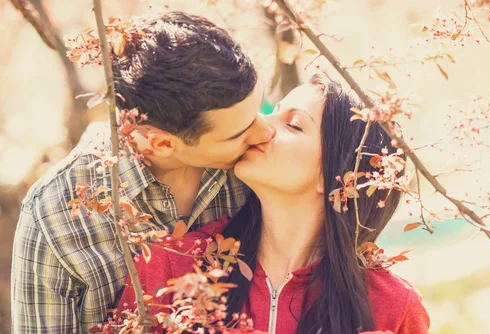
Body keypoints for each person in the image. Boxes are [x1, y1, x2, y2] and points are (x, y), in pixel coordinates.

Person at [11, 11, 275, 333]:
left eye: (261, 109)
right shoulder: (53, 218)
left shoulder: (261, 166)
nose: (266, 133)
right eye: (239, 133)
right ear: (162, 144)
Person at [118, 74, 430, 333]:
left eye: (293, 125)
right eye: (272, 112)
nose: (262, 126)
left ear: (340, 179)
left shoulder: (391, 307)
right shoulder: (173, 265)